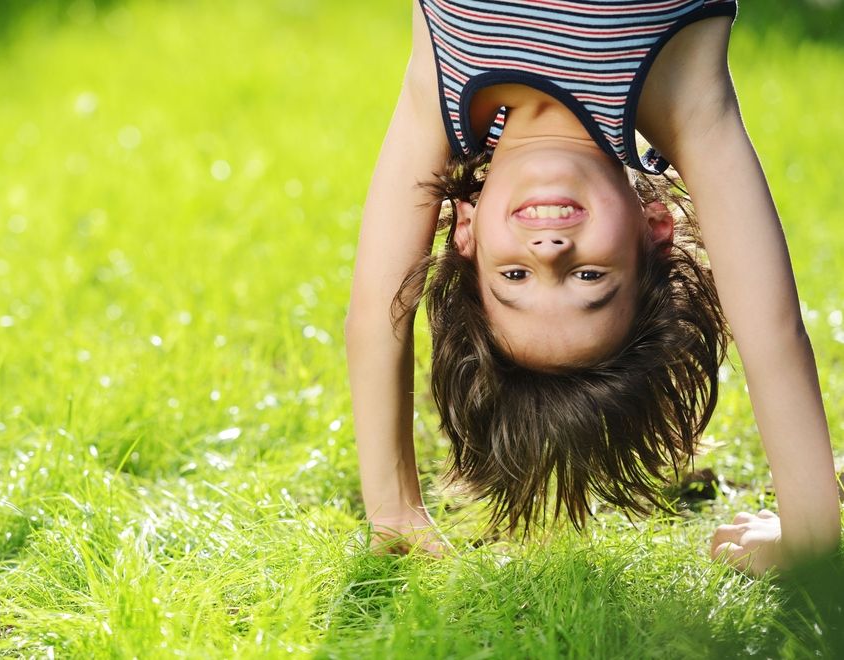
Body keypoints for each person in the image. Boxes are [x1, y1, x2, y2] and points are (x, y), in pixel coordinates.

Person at [345, 0, 841, 575]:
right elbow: (772, 333)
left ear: (467, 230)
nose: (550, 254)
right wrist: (809, 534)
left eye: (514, 277)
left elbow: (378, 318)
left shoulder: (439, 101)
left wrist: (394, 513)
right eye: (590, 278)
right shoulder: (684, 104)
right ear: (654, 228)